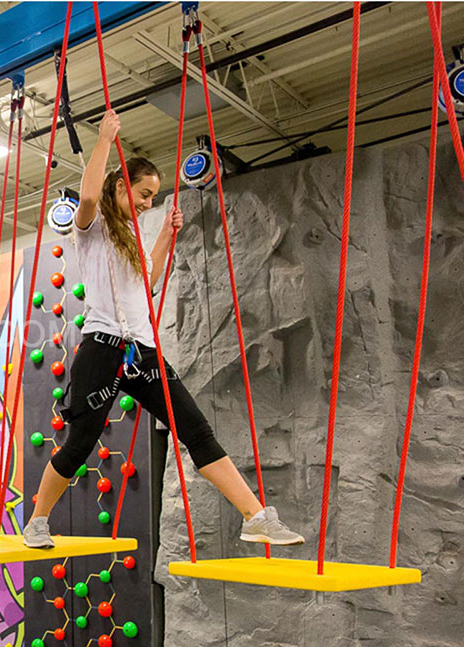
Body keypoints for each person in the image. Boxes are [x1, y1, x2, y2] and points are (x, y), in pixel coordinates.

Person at [22, 110, 303, 549]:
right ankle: (38, 521)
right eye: (144, 194)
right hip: (102, 350)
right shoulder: (92, 230)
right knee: (79, 444)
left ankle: (256, 516)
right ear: (121, 187)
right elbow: (90, 196)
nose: (149, 203)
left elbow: (145, 283)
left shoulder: (129, 238)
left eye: (153, 197)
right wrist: (104, 140)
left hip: (143, 355)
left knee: (195, 430)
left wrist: (166, 238)